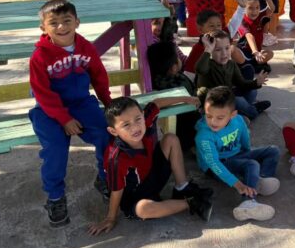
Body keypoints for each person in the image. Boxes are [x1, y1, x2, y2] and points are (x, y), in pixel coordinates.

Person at [28, 0, 113, 227]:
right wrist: (64, 119)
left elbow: (99, 76)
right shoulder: (40, 57)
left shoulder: (86, 48)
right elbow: (42, 93)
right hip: (48, 109)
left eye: (66, 21)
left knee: (108, 133)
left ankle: (105, 177)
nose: (61, 27)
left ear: (77, 22)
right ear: (43, 28)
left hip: (81, 103)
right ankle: (55, 197)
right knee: (55, 148)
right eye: (53, 23)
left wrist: (109, 104)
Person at [88, 96, 212, 235]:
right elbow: (116, 190)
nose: (135, 127)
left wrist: (186, 99)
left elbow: (156, 103)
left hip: (152, 174)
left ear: (142, 115)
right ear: (113, 131)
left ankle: (182, 187)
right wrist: (110, 218)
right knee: (143, 209)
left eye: (137, 119)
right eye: (126, 125)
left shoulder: (145, 121)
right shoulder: (116, 159)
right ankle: (191, 202)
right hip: (135, 197)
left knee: (170, 138)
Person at [195, 86, 281, 222]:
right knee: (251, 164)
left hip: (237, 155)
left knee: (273, 150)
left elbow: (244, 138)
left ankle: (260, 179)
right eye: (209, 116)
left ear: (233, 114)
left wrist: (248, 152)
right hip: (216, 165)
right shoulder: (204, 136)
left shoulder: (239, 120)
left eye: (220, 117)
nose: (213, 122)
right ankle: (248, 202)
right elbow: (214, 164)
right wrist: (238, 184)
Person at [195, 29, 270, 122]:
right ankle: (253, 111)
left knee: (252, 91)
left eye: (227, 48)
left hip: (228, 97)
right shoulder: (207, 64)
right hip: (214, 102)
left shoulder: (231, 64)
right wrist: (208, 49)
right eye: (218, 49)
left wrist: (256, 82)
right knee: (239, 101)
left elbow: (241, 83)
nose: (224, 53)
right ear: (210, 50)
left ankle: (239, 112)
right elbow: (199, 69)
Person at [146, 41, 199, 150]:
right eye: (177, 57)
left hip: (177, 131)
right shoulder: (179, 83)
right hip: (187, 135)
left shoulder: (158, 80)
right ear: (174, 67)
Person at [233, 0, 275, 75]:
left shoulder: (259, 17)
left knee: (270, 53)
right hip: (243, 53)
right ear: (244, 8)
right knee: (233, 50)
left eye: (257, 7)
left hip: (256, 55)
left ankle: (251, 64)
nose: (255, 11)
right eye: (250, 8)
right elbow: (249, 35)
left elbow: (272, 9)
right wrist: (255, 51)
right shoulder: (241, 20)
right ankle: (246, 64)